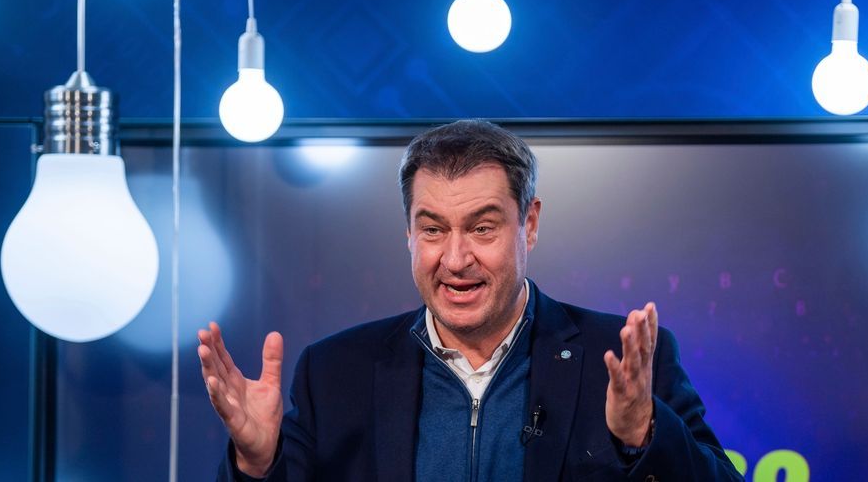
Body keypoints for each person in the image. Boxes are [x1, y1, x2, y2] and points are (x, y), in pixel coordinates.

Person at [198, 120, 743, 482]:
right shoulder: (334, 372)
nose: (456, 259)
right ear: (408, 233)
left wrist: (642, 434)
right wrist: (255, 463)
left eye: (482, 228)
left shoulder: (621, 361)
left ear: (529, 224)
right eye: (433, 230)